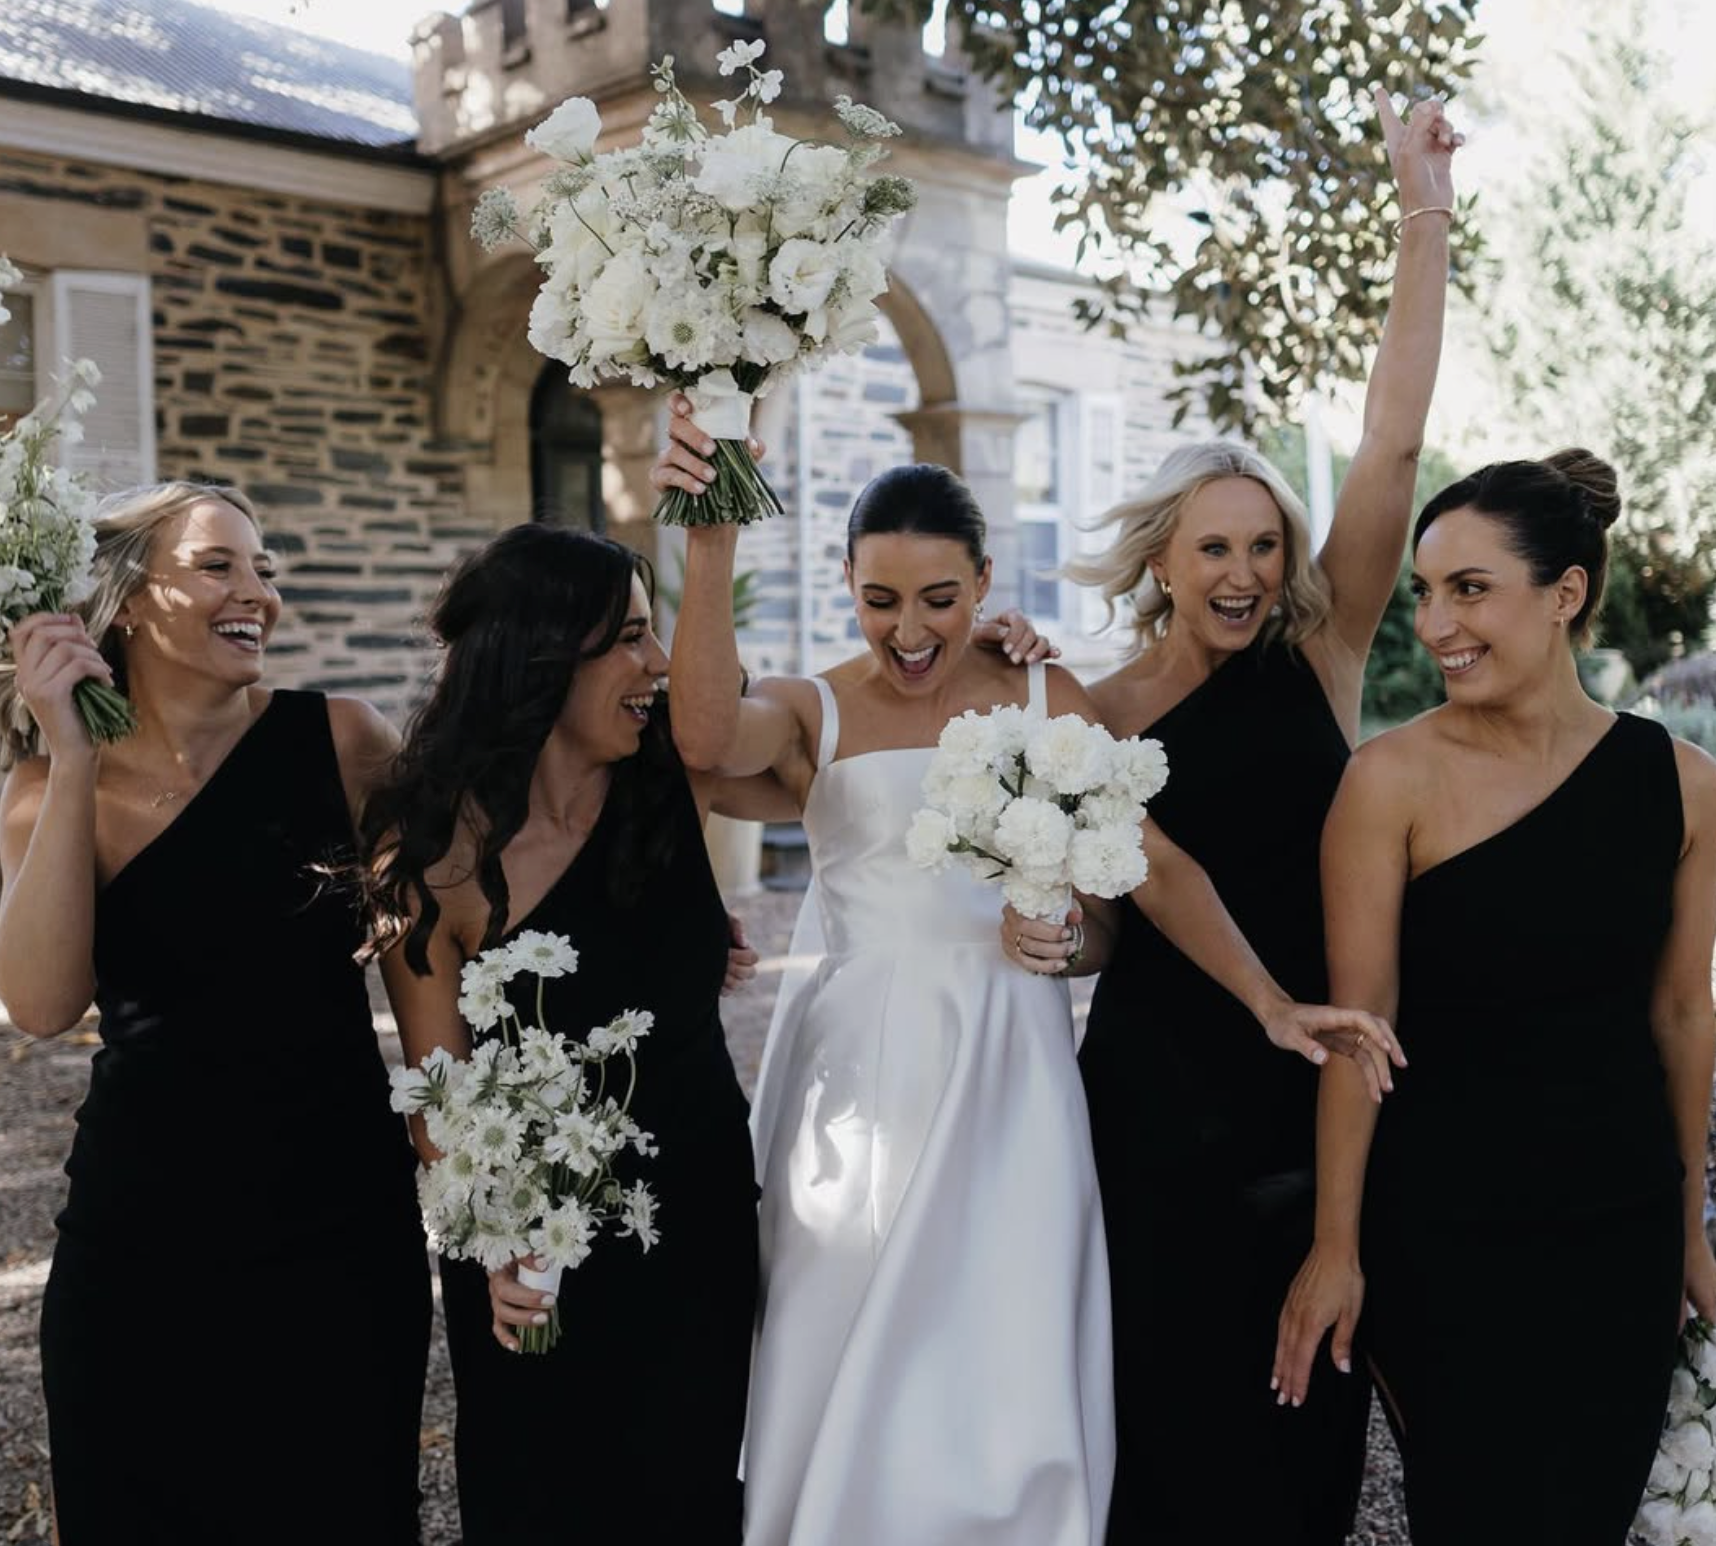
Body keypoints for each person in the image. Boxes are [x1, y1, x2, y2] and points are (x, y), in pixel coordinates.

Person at [650, 419, 1386, 1546]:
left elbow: (1151, 868)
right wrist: (711, 544)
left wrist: (1266, 998)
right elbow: (700, 740)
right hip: (860, 1070)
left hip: (1014, 1072)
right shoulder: (814, 708)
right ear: (845, 582)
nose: (910, 629)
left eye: (940, 597)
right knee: (838, 1319)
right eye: (880, 598)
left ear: (985, 581)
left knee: (1012, 1343)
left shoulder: (1047, 701)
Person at [1004, 86, 1461, 1545]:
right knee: (1159, 1410)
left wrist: (1421, 206)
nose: (1249, 569)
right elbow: (1097, 906)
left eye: (1266, 543)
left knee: (1303, 1407)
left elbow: (1390, 444)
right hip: (1156, 1092)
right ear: (1165, 558)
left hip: (1319, 1070)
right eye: (1218, 546)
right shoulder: (1098, 705)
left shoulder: (1323, 659)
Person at [1273, 451, 1716, 1546]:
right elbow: (1355, 1031)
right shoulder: (1390, 782)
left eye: (1469, 588)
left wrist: (1689, 1233)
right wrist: (1338, 1246)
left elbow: (1681, 1017)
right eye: (1426, 591)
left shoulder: (1686, 783)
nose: (1432, 623)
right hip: (1445, 1237)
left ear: (1564, 593)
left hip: (1620, 1228)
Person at [0, 482, 429, 1544]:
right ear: (129, 602)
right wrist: (75, 751)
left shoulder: (343, 738)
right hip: (141, 1237)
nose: (258, 594)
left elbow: (445, 937)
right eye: (219, 565)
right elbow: (45, 1004)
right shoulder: (42, 787)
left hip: (337, 1227)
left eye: (265, 569)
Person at [365, 523, 787, 1545]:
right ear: (543, 653)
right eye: (631, 638)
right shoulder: (433, 852)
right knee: (542, 1500)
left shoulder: (676, 779)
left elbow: (853, 756)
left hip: (696, 1216)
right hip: (532, 1253)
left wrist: (993, 660)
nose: (655, 666)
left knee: (692, 1493)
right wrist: (506, 1248)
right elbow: (438, 1099)